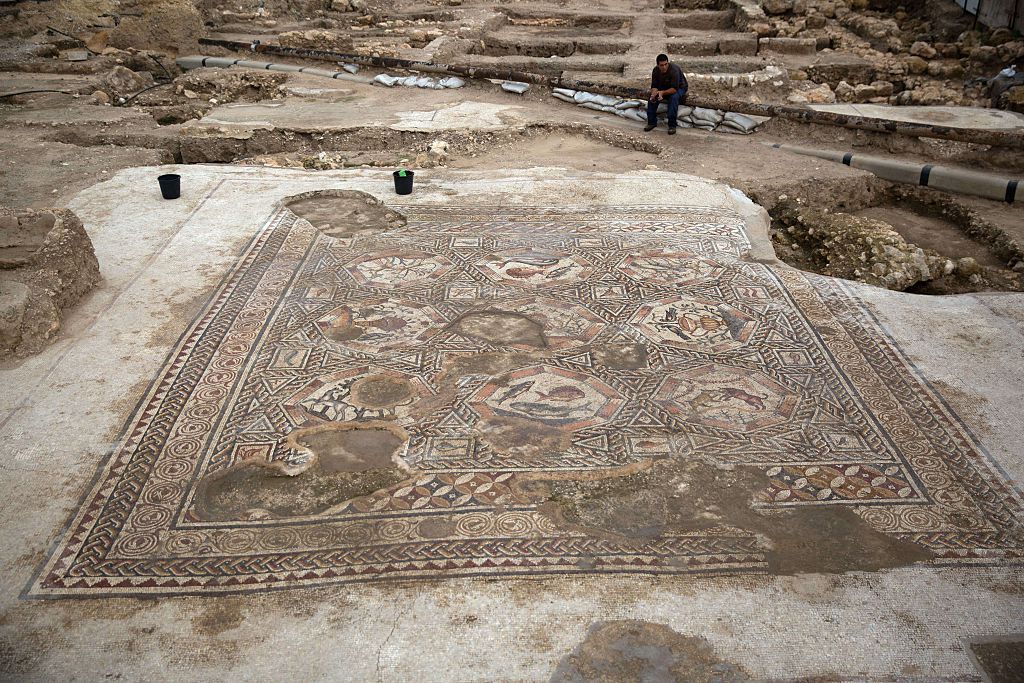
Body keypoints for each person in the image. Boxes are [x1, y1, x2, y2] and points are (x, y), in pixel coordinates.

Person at [645, 53, 688, 135]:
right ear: (658, 65)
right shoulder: (655, 70)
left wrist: (662, 92)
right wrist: (654, 93)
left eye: (666, 64)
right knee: (652, 98)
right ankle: (651, 122)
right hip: (664, 86)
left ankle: (672, 125)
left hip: (679, 87)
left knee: (673, 98)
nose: (664, 67)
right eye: (661, 65)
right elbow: (654, 86)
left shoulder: (674, 70)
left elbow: (674, 89)